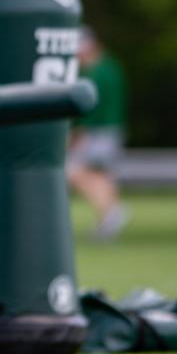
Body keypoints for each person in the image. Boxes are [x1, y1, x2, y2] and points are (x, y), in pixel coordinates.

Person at [68, 26, 129, 240]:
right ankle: (108, 217)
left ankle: (112, 213)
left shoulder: (98, 73)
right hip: (110, 130)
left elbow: (92, 110)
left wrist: (77, 136)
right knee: (101, 176)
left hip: (98, 133)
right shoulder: (110, 67)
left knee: (75, 172)